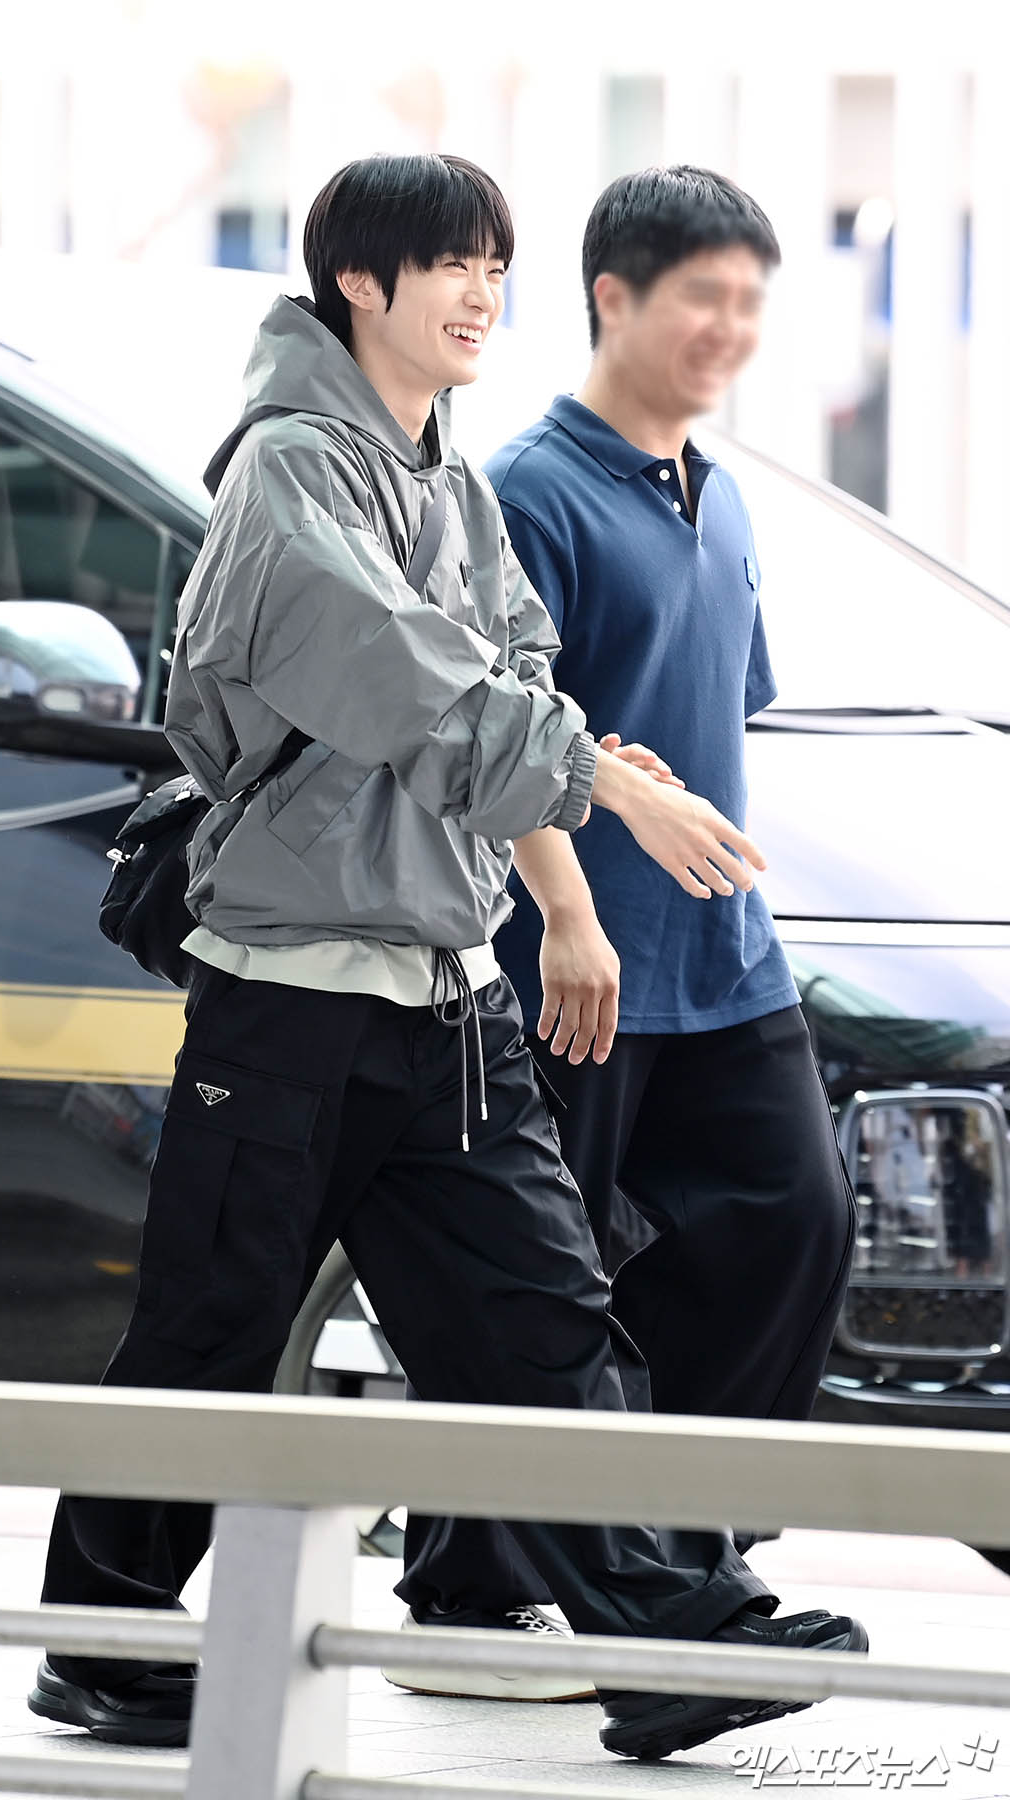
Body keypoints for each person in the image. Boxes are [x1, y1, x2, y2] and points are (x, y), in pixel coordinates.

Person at [27, 153, 864, 1764]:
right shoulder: (290, 475)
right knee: (211, 1329)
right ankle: (104, 1640)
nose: (484, 294)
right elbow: (409, 679)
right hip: (289, 1004)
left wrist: (576, 792)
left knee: (546, 1323)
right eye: (451, 265)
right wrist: (601, 779)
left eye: (495, 264)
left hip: (443, 994)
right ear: (361, 282)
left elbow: (518, 676)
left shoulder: (450, 481)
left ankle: (664, 1635)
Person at [395, 166, 859, 1700]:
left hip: (726, 964)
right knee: (543, 1287)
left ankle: (676, 1559)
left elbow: (712, 717)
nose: (731, 327)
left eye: (750, 301)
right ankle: (478, 1590)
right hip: (574, 971)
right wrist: (567, 914)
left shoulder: (715, 493)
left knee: (791, 1224)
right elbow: (493, 730)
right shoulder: (531, 491)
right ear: (614, 297)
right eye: (702, 296)